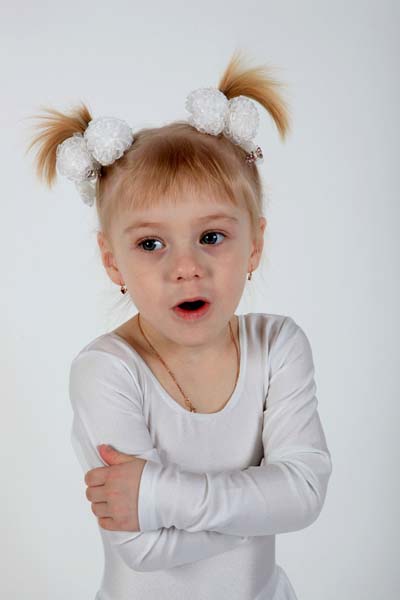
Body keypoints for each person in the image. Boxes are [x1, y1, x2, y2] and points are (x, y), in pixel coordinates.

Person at [26, 50, 332, 600]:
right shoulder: (107, 371)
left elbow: (306, 493)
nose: (186, 267)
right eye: (151, 243)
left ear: (255, 244)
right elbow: (143, 548)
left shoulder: (277, 345)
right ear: (112, 261)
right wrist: (265, 505)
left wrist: (156, 495)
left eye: (211, 237)